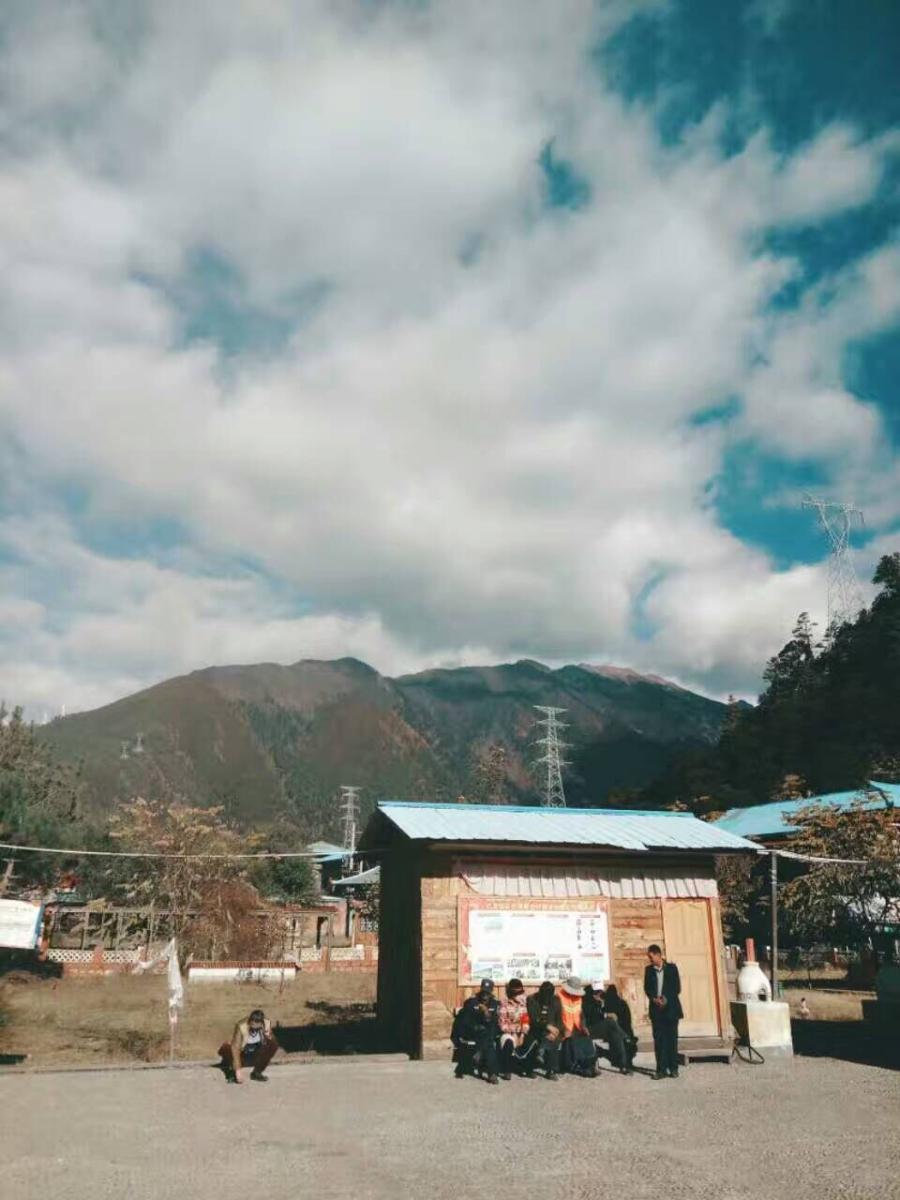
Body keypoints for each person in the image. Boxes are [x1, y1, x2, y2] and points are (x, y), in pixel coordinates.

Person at [644, 944, 683, 1079]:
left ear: (658, 955)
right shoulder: (648, 970)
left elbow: (677, 988)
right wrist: (654, 999)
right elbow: (647, 988)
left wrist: (666, 998)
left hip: (671, 1009)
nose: (650, 959)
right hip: (657, 1011)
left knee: (672, 1039)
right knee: (659, 1041)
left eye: (651, 956)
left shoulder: (672, 969)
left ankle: (673, 1068)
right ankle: (661, 1069)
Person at [451, 978, 501, 1084]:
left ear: (491, 992)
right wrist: (475, 1026)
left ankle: (479, 1053)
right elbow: (465, 1020)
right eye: (483, 992)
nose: (485, 995)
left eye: (487, 993)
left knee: (488, 1036)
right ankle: (492, 1073)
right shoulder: (471, 1002)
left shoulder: (495, 1004)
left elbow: (495, 1022)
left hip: (487, 1033)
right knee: (488, 1040)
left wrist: (486, 1012)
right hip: (472, 1030)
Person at [218, 1008, 278, 1084]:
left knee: (273, 1044)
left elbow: (271, 1042)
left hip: (255, 1049)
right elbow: (235, 1047)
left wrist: (267, 1034)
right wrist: (238, 1070)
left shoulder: (266, 1024)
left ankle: (257, 1072)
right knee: (229, 1048)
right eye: (252, 1026)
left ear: (261, 1023)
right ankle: (232, 1073)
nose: (254, 1029)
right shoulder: (241, 1026)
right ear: (249, 1022)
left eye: (257, 1027)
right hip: (242, 1050)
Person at [582, 981, 630, 1073]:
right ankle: (625, 1036)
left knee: (616, 1035)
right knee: (610, 1022)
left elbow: (601, 1014)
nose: (600, 994)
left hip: (600, 1027)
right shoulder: (586, 1000)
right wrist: (605, 1014)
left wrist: (602, 1004)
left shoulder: (600, 1000)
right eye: (599, 992)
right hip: (589, 1028)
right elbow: (592, 1016)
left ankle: (623, 1065)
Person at [557, 976, 598, 1077]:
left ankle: (590, 1062)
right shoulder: (558, 998)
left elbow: (581, 1016)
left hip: (576, 1027)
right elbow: (555, 1018)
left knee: (586, 1039)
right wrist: (563, 1029)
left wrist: (583, 1026)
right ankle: (581, 1065)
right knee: (574, 1040)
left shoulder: (578, 999)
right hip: (564, 1029)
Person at [524, 980, 563, 1080]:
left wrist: (555, 1031)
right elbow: (533, 1019)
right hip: (536, 1028)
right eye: (544, 995)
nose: (546, 998)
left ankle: (551, 1070)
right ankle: (529, 1068)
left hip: (552, 1030)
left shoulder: (556, 1000)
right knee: (534, 1039)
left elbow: (559, 1019)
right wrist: (547, 1026)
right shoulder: (532, 999)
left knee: (553, 1039)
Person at [498, 978, 530, 1079]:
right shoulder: (504, 1004)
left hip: (520, 1032)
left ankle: (526, 1068)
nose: (520, 996)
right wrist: (514, 1032)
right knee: (508, 1042)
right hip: (509, 1032)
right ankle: (507, 1070)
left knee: (531, 1039)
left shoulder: (523, 1005)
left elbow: (526, 1020)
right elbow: (502, 1023)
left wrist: (523, 1033)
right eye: (518, 994)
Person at [601, 984, 637, 1069]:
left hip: (617, 1030)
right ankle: (627, 1064)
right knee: (627, 1046)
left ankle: (622, 1063)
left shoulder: (608, 1005)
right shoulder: (622, 1002)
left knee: (619, 1047)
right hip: (626, 1029)